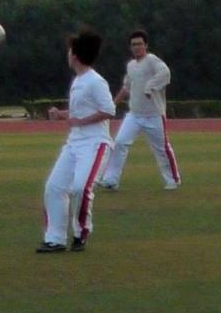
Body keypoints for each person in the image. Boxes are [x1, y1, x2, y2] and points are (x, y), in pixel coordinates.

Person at [37, 29, 114, 254]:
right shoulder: (78, 81)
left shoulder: (96, 81)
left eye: (70, 51)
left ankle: (81, 233)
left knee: (81, 187)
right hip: (74, 142)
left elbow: (109, 110)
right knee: (54, 187)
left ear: (75, 56)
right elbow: (80, 111)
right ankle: (55, 239)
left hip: (95, 143)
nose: (68, 55)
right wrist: (62, 114)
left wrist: (80, 121)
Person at [99, 30, 180, 191]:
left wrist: (150, 87)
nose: (137, 47)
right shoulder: (131, 65)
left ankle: (172, 179)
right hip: (134, 115)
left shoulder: (151, 60)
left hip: (154, 115)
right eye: (134, 44)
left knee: (161, 148)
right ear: (130, 47)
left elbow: (165, 73)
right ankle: (111, 180)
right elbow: (126, 87)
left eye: (140, 44)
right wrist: (112, 104)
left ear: (146, 45)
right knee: (120, 143)